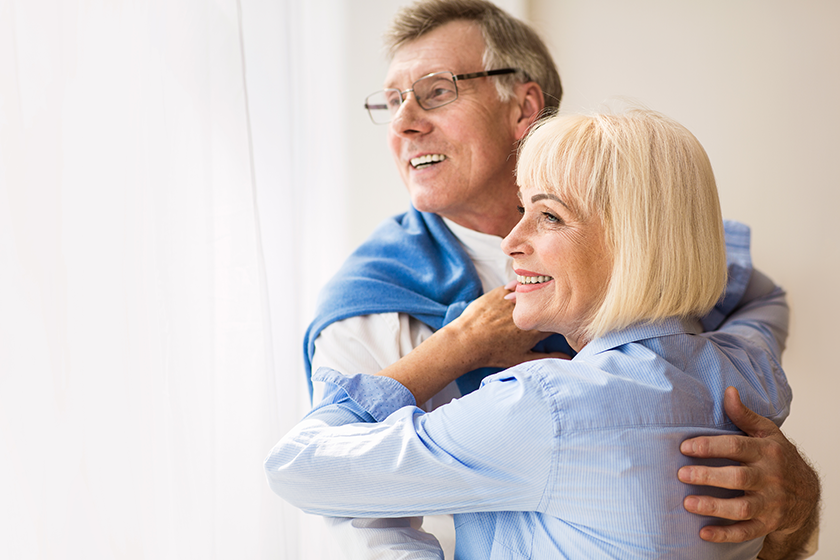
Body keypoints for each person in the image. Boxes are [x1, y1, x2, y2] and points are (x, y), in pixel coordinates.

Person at [297, 0, 820, 557]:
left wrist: (797, 499)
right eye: (393, 101)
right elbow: (354, 518)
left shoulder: (652, 247)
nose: (404, 123)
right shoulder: (367, 311)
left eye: (436, 91)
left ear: (524, 106)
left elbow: (762, 303)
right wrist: (457, 347)